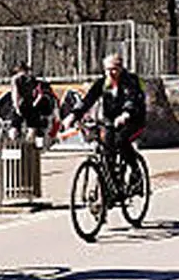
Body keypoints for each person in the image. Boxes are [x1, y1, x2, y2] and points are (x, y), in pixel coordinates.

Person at [62, 53, 148, 189]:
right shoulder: (103, 83)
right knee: (106, 146)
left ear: (121, 68)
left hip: (133, 119)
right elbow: (88, 100)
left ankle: (136, 172)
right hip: (111, 120)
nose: (111, 73)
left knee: (120, 141)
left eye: (114, 69)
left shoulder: (130, 81)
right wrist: (73, 116)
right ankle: (111, 186)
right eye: (108, 69)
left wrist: (126, 114)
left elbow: (131, 99)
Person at [8, 64, 59, 143]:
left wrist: (33, 104)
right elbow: (15, 94)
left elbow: (39, 95)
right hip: (27, 104)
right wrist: (17, 106)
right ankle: (19, 135)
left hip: (33, 105)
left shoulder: (34, 82)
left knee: (31, 122)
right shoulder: (19, 80)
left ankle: (32, 137)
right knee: (22, 120)